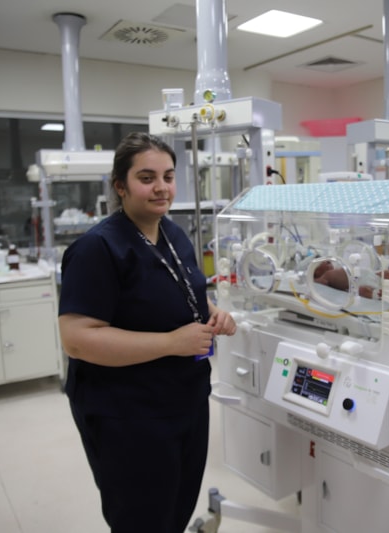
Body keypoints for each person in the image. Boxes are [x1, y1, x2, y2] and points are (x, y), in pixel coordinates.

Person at [58, 132, 237, 533]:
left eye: (168, 177)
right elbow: (77, 338)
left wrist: (213, 314)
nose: (161, 187)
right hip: (129, 414)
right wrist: (172, 343)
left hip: (185, 399)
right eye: (146, 178)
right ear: (120, 186)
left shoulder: (173, 234)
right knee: (142, 519)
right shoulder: (97, 249)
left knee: (175, 510)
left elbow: (182, 291)